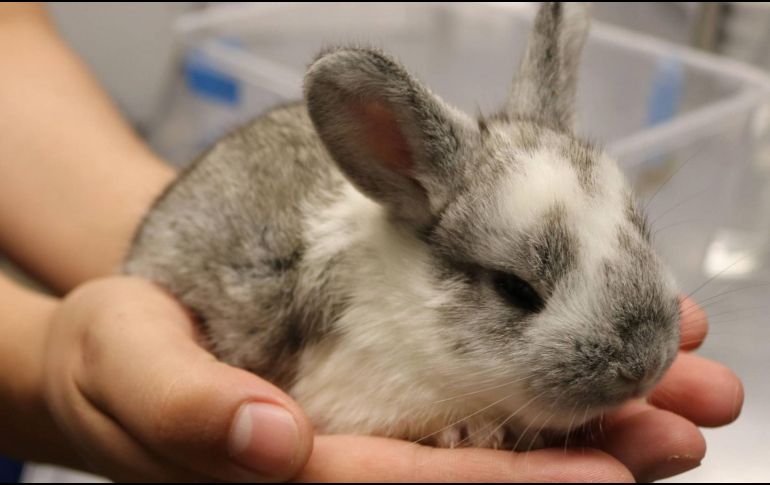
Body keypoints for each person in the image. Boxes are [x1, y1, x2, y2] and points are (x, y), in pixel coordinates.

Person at [0, 3, 744, 482]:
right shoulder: (375, 308)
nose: (644, 359)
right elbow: (331, 401)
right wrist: (48, 370)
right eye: (521, 290)